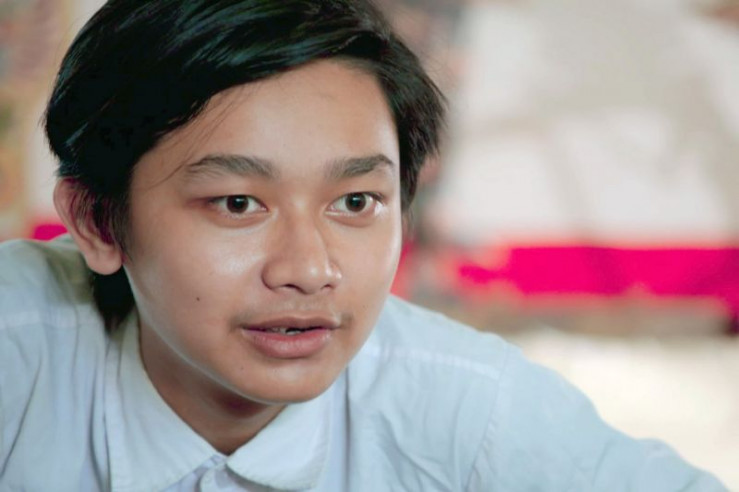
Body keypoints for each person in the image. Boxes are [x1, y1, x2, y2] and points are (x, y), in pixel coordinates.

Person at [0, 1, 726, 490]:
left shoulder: (469, 409)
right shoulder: (19, 353)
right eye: (237, 203)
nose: (309, 270)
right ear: (97, 223)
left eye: (355, 202)